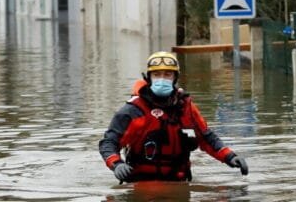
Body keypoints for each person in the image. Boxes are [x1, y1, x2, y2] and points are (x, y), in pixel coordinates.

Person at [99, 51, 248, 182]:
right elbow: (109, 142)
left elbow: (206, 138)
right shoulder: (133, 110)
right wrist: (116, 164)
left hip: (178, 181)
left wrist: (230, 156)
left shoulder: (185, 107)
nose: (162, 79)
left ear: (175, 78)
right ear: (149, 78)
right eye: (157, 75)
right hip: (142, 183)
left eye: (167, 74)